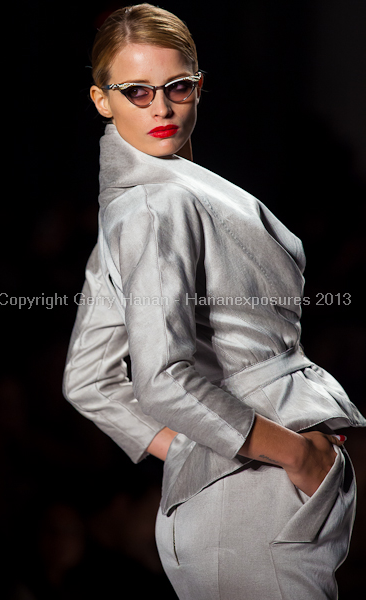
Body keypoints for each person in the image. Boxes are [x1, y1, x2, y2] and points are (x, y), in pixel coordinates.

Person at [63, 4, 366, 598]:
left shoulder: (139, 202)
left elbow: (86, 380)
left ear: (199, 86)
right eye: (136, 90)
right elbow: (161, 379)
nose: (160, 106)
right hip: (253, 492)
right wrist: (289, 454)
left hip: (241, 492)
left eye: (177, 86)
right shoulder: (156, 205)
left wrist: (198, 449)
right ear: (101, 99)